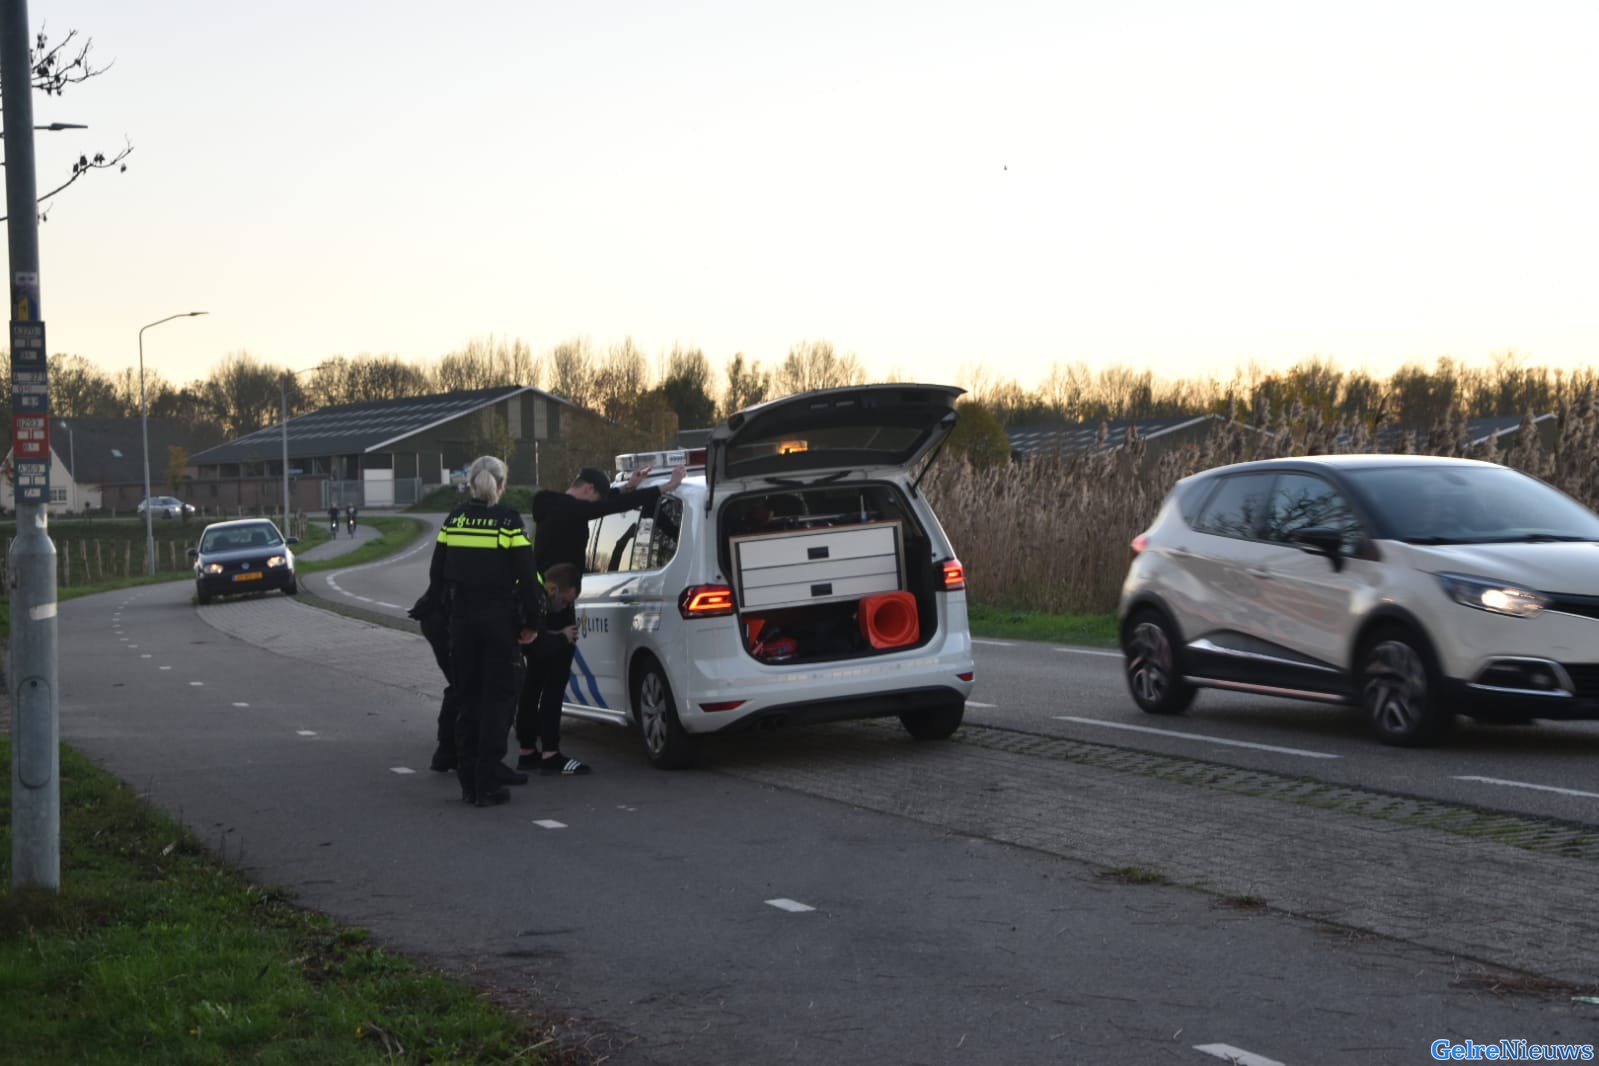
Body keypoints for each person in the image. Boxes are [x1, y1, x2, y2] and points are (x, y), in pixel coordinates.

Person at [515, 463, 684, 775]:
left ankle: (527, 750)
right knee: (554, 682)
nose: (597, 505)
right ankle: (551, 755)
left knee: (534, 680)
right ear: (589, 490)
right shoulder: (571, 510)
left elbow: (606, 503)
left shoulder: (553, 506)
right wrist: (662, 489)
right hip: (558, 605)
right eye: (598, 497)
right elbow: (611, 508)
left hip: (539, 602)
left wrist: (628, 487)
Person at [430, 455, 546, 807]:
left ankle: (468, 783)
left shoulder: (454, 519)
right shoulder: (507, 523)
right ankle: (488, 781)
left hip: (462, 624)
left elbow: (437, 574)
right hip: (498, 624)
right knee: (498, 699)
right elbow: (528, 578)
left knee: (468, 700)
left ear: (471, 483)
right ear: (500, 485)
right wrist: (533, 624)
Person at [512, 562, 583, 771]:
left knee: (531, 686)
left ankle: (527, 750)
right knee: (552, 690)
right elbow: (536, 640)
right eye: (566, 601)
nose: (564, 606)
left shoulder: (531, 588)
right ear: (567, 590)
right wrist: (562, 637)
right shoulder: (538, 599)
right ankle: (550, 753)